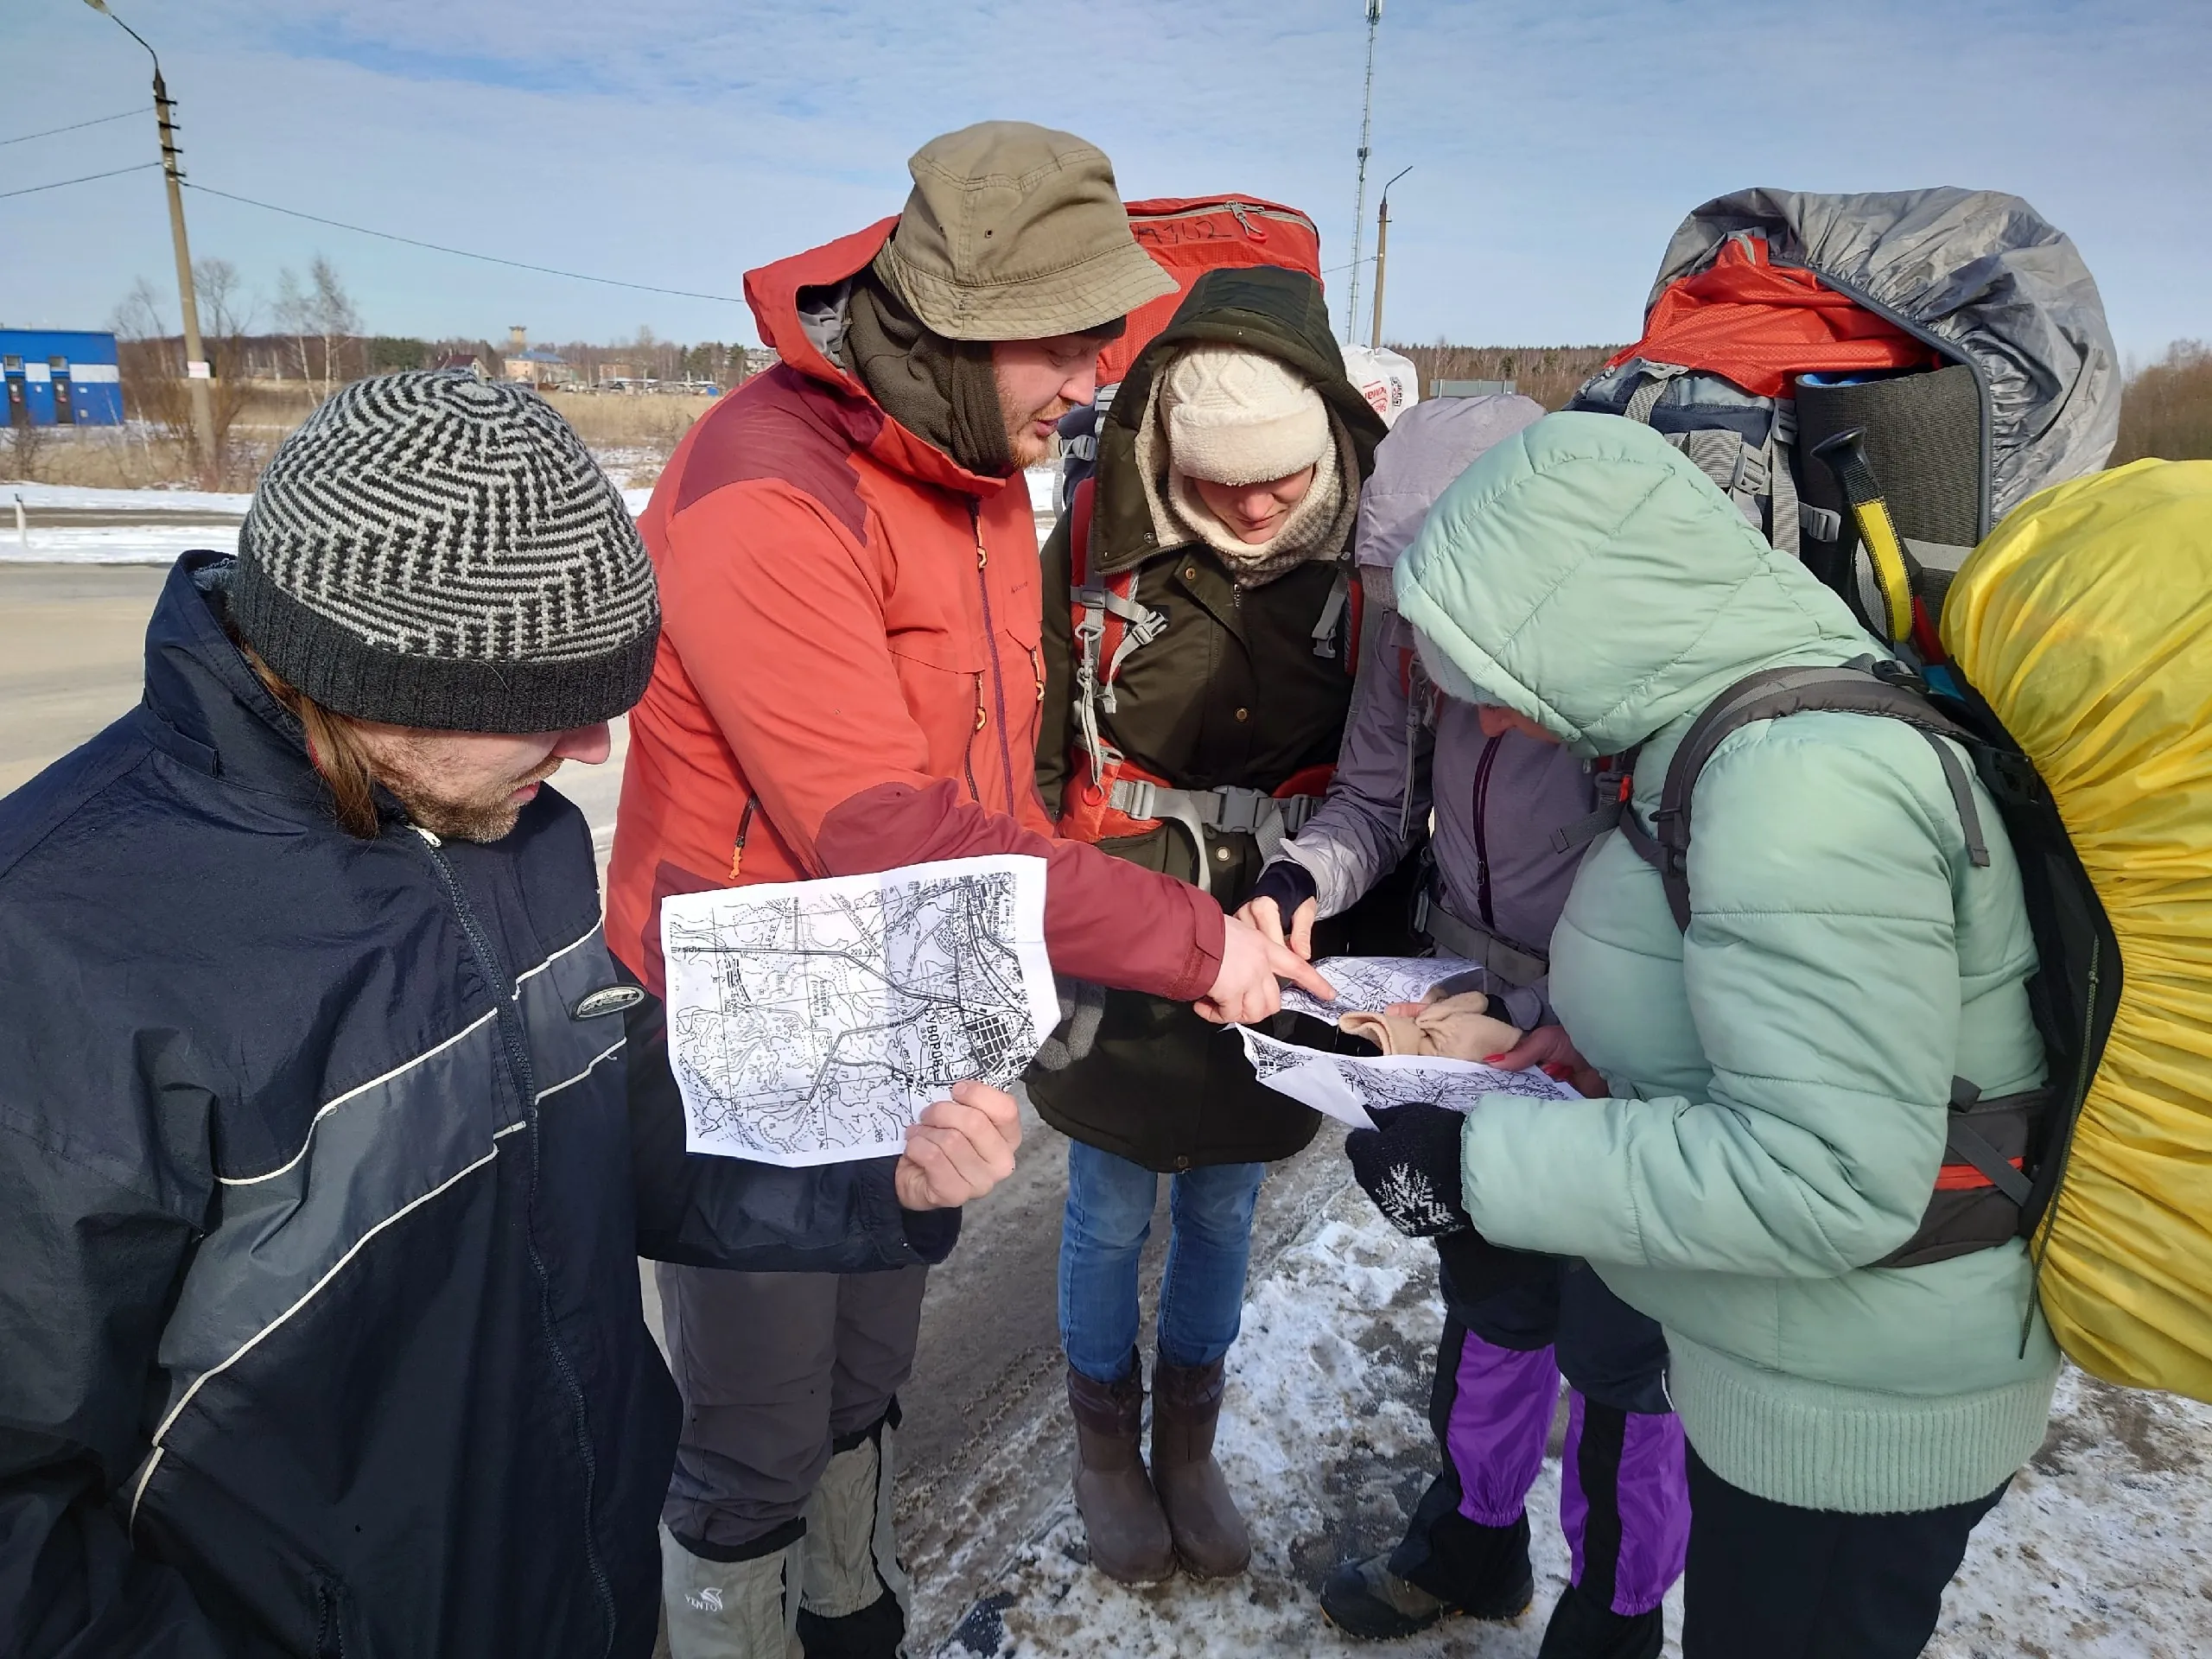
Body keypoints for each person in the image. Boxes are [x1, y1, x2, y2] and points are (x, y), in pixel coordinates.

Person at [0, 371, 1024, 1659]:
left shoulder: (506, 832)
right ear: (364, 673)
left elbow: (621, 1144)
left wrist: (884, 1182)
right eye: (550, 705)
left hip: (582, 1589)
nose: (595, 751)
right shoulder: (60, 946)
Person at [605, 124, 1327, 1656]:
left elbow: (1000, 765)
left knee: (872, 1367)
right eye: (1069, 346)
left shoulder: (979, 463)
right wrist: (1183, 939)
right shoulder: (767, 490)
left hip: (910, 988)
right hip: (764, 1017)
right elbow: (886, 824)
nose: (1092, 381)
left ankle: (852, 1619)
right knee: (754, 1432)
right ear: (958, 322)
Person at [1349, 413, 2057, 1659]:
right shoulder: (1739, 738)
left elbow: (1826, 1176)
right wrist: (1594, 1054)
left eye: (1502, 681)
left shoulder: (1802, 788)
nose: (1502, 728)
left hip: (1856, 1419)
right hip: (1808, 1379)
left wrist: (1478, 1171)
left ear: (1585, 619)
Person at [1237, 395, 1688, 1657]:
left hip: (1617, 1051)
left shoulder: (1630, 669)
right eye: (1396, 613)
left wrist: (1528, 1020)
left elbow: (1670, 899)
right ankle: (1475, 1540)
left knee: (1621, 1359)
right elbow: (1374, 802)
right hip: (1471, 1029)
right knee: (1491, 1304)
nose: (1415, 650)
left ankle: (1618, 1614)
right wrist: (1299, 881)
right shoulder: (1411, 645)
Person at [1024, 264, 1387, 1585]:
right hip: (1118, 922)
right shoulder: (1097, 545)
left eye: (1279, 479)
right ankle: (1103, 1445)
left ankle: (1190, 1443)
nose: (1248, 504)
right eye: (1218, 475)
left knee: (1227, 1207)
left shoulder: (1367, 560)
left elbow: (1387, 770)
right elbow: (1021, 738)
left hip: (1280, 939)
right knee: (1109, 1204)